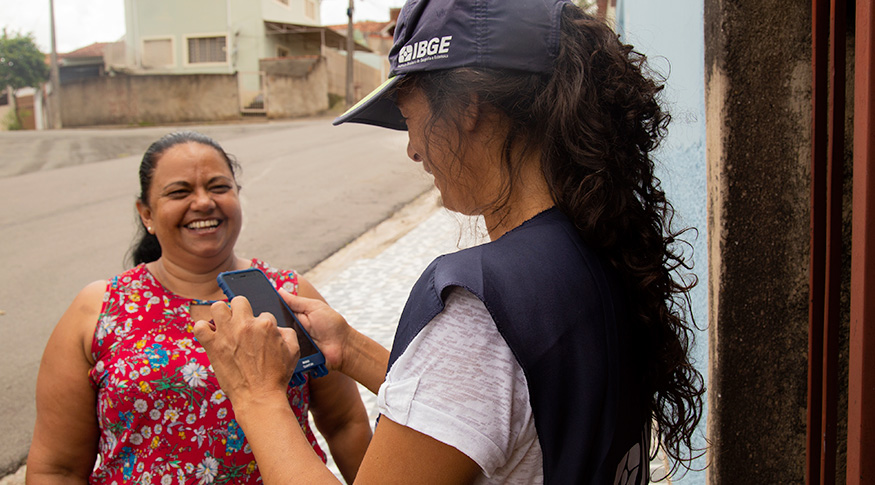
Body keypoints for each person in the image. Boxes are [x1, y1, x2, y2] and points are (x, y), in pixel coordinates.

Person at [194, 0, 706, 483]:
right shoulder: (598, 245)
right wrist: (348, 347)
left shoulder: (481, 305)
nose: (413, 151)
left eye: (411, 120)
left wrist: (256, 394)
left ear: (468, 109)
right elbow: (481, 407)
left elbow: (478, 371)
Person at [26, 131, 372, 484]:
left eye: (219, 187)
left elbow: (345, 422)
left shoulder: (290, 295)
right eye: (180, 192)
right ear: (146, 213)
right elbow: (58, 468)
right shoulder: (99, 309)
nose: (204, 202)